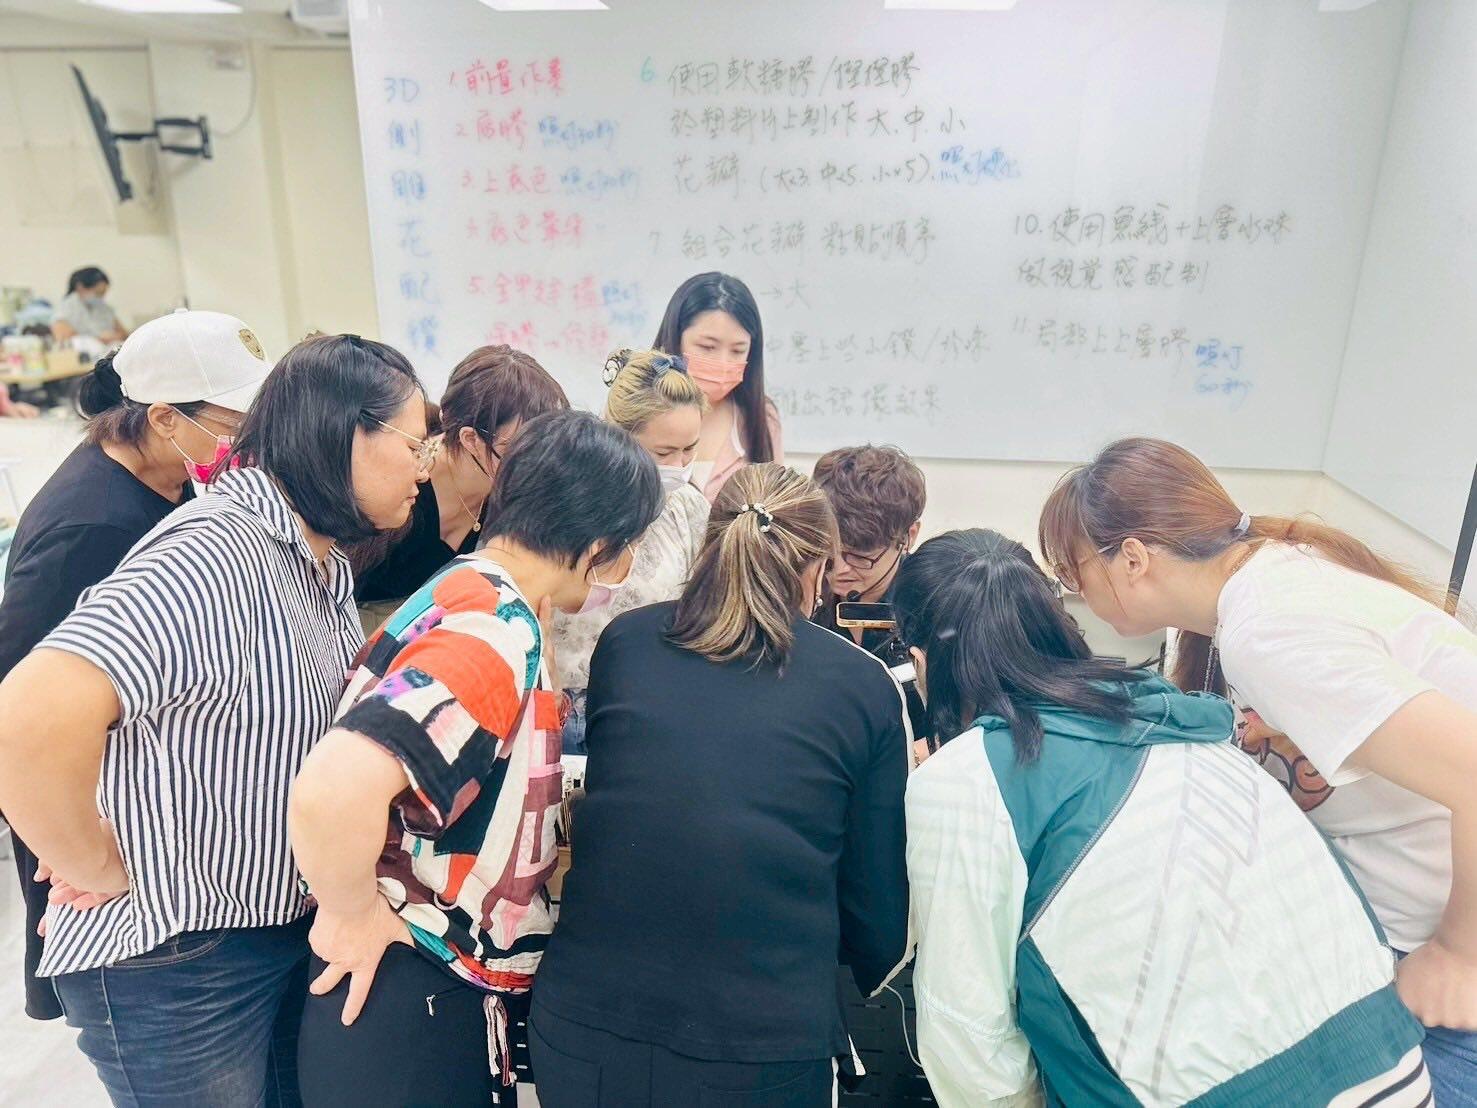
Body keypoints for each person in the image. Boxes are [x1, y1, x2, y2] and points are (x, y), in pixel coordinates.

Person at [0, 333, 427, 1106]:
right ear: (345, 434)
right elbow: (26, 715)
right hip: (180, 959)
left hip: (264, 929)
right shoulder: (214, 554)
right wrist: (90, 858)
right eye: (413, 443)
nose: (423, 470)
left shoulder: (313, 556)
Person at [896, 528, 1429, 1107]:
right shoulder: (1175, 717)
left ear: (923, 659)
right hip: (1395, 1067)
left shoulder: (968, 777)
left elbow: (969, 1040)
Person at [1038, 436, 1477, 1102]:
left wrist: (1459, 954)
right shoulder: (1263, 578)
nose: (1077, 593)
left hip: (1445, 952)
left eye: (1074, 575)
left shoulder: (1269, 630)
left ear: (1131, 558)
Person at [290, 409, 661, 1107]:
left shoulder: (470, 587)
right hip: (407, 989)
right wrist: (349, 913)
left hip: (403, 987)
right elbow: (332, 787)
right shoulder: (495, 632)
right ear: (600, 545)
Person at [531, 463, 911, 1107]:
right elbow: (877, 914)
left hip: (583, 1024)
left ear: (709, 544)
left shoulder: (627, 642)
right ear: (816, 569)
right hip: (758, 1045)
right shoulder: (862, 683)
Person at [0, 308, 270, 1023]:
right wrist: (82, 848)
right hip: (106, 834)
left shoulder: (168, 482)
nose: (247, 442)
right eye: (236, 424)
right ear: (165, 418)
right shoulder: (90, 524)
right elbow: (19, 700)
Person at [553, 348, 710, 752]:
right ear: (617, 435)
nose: (679, 465)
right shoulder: (567, 500)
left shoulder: (687, 508)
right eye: (663, 453)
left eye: (689, 449)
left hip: (655, 706)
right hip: (564, 708)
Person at [353, 344, 568, 619]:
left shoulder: (507, 494)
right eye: (523, 448)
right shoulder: (403, 483)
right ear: (470, 439)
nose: (537, 462)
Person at [652, 271, 783, 502]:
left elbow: (778, 506)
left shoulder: (761, 418)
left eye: (738, 350)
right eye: (707, 347)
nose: (723, 363)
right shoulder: (635, 408)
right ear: (676, 337)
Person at [50, 266, 127, 345]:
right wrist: (99, 339)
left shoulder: (104, 308)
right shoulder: (64, 308)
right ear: (80, 288)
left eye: (103, 293)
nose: (101, 297)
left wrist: (114, 337)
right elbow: (64, 337)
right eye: (98, 293)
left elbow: (124, 334)